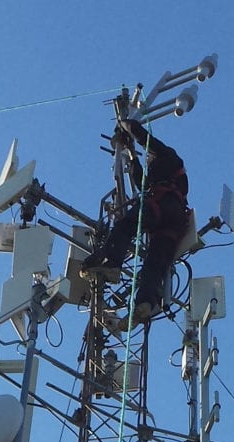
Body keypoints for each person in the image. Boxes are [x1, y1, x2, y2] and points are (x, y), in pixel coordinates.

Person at [83, 119, 189, 322]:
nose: (148, 159)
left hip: (161, 206)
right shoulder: (167, 175)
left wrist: (126, 124)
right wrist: (131, 152)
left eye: (148, 158)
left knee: (125, 225)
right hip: (174, 222)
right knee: (154, 265)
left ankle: (112, 263)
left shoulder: (167, 156)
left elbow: (145, 138)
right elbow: (142, 181)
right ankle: (145, 303)